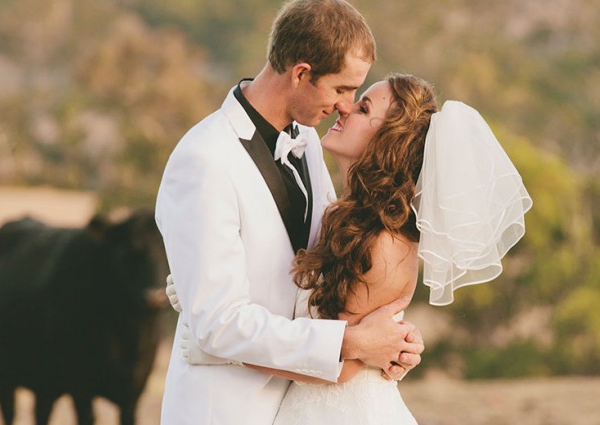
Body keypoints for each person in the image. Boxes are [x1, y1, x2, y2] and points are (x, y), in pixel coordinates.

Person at [168, 73, 533, 424]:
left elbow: (343, 366)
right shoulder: (349, 216)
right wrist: (202, 282)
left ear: (387, 141)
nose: (345, 108)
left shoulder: (383, 246)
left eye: (362, 109)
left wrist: (212, 341)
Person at [154, 1, 423, 425]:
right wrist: (350, 343)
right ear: (300, 73)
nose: (347, 106)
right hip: (226, 410)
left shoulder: (308, 142)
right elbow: (219, 323)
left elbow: (316, 270)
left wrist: (393, 340)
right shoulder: (204, 159)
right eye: (341, 89)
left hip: (304, 403)